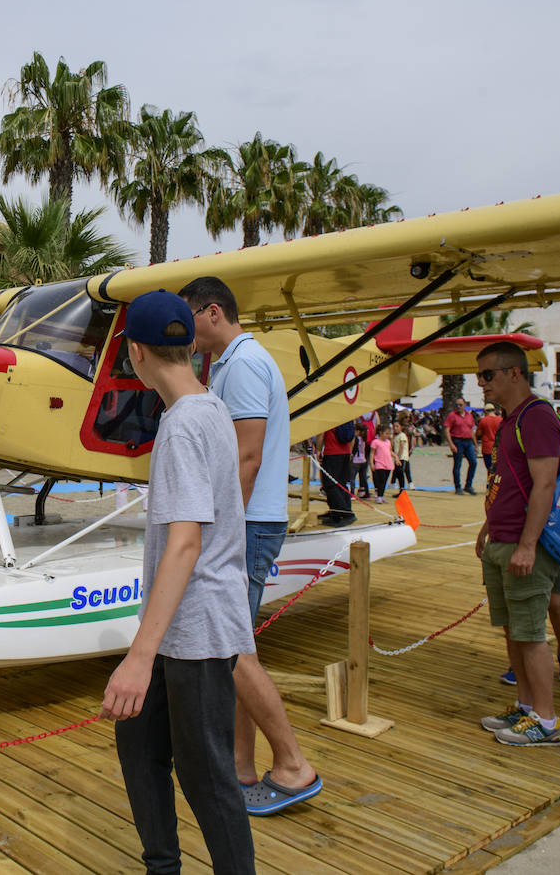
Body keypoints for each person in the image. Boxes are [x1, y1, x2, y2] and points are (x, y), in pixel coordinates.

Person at [100, 289, 256, 871]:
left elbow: (185, 542)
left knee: (206, 772)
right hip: (178, 626)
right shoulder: (206, 406)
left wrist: (139, 656)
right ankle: (161, 864)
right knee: (138, 744)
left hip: (197, 629)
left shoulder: (185, 424)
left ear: (135, 353)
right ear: (188, 344)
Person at [180, 276, 321, 819]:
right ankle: (242, 766)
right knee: (238, 643)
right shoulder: (240, 360)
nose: (186, 334)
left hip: (247, 522)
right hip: (253, 520)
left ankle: (291, 765)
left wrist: (218, 530)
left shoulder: (240, 364)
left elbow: (247, 456)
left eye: (189, 319)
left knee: (231, 648)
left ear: (212, 313)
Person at [473, 341, 560, 746]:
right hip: (503, 537)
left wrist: (528, 544)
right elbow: (508, 481)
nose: (481, 384)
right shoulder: (511, 420)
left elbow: (545, 483)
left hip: (525, 543)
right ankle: (526, 706)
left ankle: (547, 721)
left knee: (530, 633)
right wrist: (487, 526)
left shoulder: (537, 417)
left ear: (515, 373)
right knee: (513, 629)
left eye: (487, 375)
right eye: (480, 376)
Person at [319, 421, 356, 526]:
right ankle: (336, 513)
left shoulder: (329, 416)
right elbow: (353, 437)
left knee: (330, 484)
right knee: (341, 483)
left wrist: (318, 449)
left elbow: (321, 434)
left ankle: (345, 513)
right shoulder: (346, 416)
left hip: (332, 452)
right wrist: (350, 452)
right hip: (345, 452)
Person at [445, 397, 478, 495]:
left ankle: (468, 485)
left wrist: (476, 445)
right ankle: (458, 487)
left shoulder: (469, 416)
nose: (458, 407)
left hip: (468, 442)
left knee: (473, 462)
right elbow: (447, 430)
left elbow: (471, 431)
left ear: (465, 405)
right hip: (457, 441)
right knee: (457, 465)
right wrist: (451, 444)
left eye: (460, 405)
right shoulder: (452, 415)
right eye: (457, 405)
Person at [477, 402, 503, 475]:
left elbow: (478, 434)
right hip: (498, 448)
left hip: (487, 448)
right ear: (494, 410)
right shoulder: (500, 420)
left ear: (485, 411)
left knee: (489, 468)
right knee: (498, 469)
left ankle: (490, 483)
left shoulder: (483, 420)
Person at [370, 427, 393, 503]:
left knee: (385, 481)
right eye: (386, 433)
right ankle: (379, 496)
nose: (388, 435)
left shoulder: (388, 442)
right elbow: (372, 453)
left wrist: (396, 457)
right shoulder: (375, 442)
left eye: (388, 434)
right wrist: (371, 463)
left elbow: (390, 452)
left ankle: (382, 495)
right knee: (381, 480)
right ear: (380, 433)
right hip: (379, 463)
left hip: (388, 463)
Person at [390, 421, 411, 495]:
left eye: (397, 426)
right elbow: (392, 446)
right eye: (394, 427)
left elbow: (401, 447)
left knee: (400, 472)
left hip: (402, 457)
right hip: (398, 457)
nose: (395, 428)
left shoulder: (402, 435)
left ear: (401, 427)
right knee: (398, 473)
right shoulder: (396, 436)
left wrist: (397, 457)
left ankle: (402, 489)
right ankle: (401, 489)